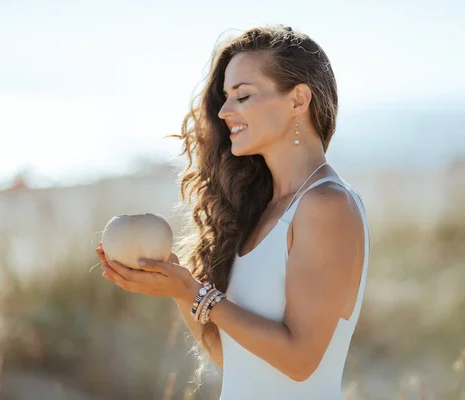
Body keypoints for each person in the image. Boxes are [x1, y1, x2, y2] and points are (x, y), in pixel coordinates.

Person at [96, 24, 370, 400]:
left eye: (242, 96)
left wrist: (197, 292)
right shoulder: (264, 209)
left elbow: (300, 361)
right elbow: (237, 360)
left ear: (298, 100)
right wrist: (180, 290)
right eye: (225, 97)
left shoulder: (326, 205)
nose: (224, 111)